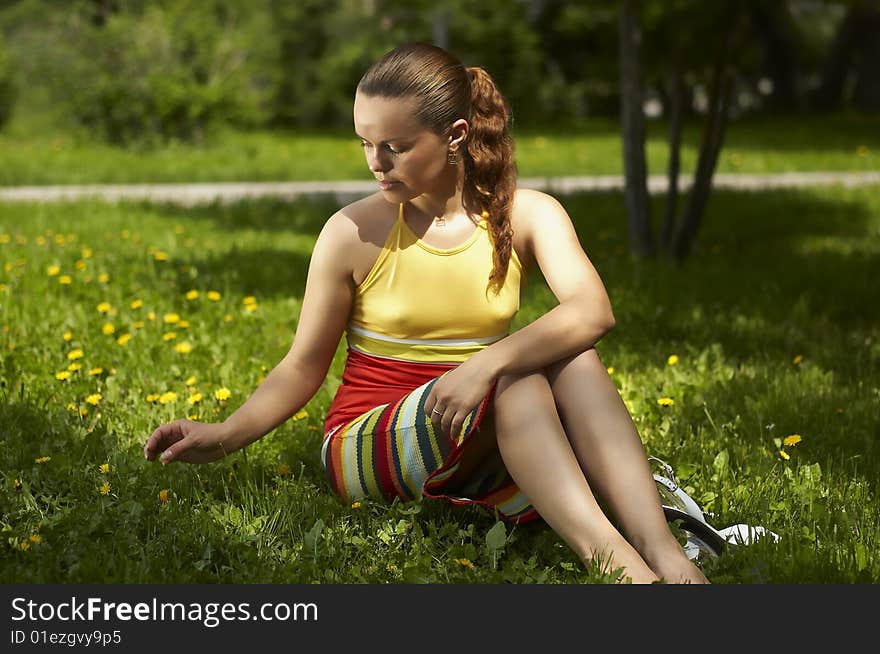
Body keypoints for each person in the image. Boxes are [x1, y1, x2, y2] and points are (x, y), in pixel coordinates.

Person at [144, 42, 709, 585]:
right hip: (369, 436)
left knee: (573, 357)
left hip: (479, 414)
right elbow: (302, 367)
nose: (375, 162)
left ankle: (662, 548)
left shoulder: (528, 214)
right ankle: (618, 566)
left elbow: (593, 312)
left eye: (395, 145)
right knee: (517, 378)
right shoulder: (350, 232)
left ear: (455, 135)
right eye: (364, 143)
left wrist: (480, 367)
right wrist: (224, 435)